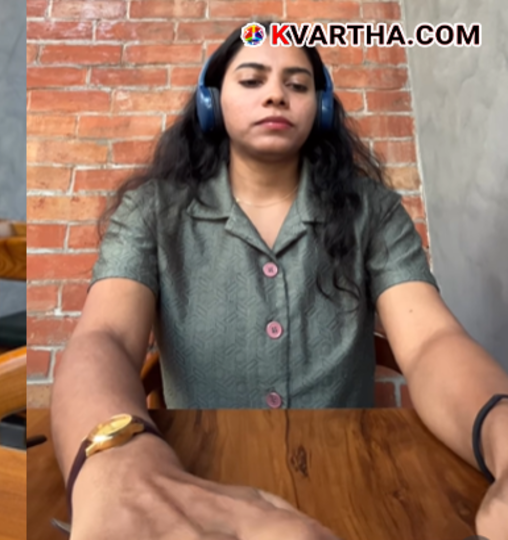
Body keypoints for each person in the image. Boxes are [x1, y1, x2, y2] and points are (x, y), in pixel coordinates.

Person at [50, 23, 508, 539]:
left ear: (323, 106)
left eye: (297, 83)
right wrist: (118, 461)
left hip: (352, 485)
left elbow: (431, 340)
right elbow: (103, 337)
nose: (276, 94)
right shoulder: (151, 212)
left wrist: (502, 431)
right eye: (252, 80)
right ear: (210, 101)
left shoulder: (373, 212)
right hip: (195, 478)